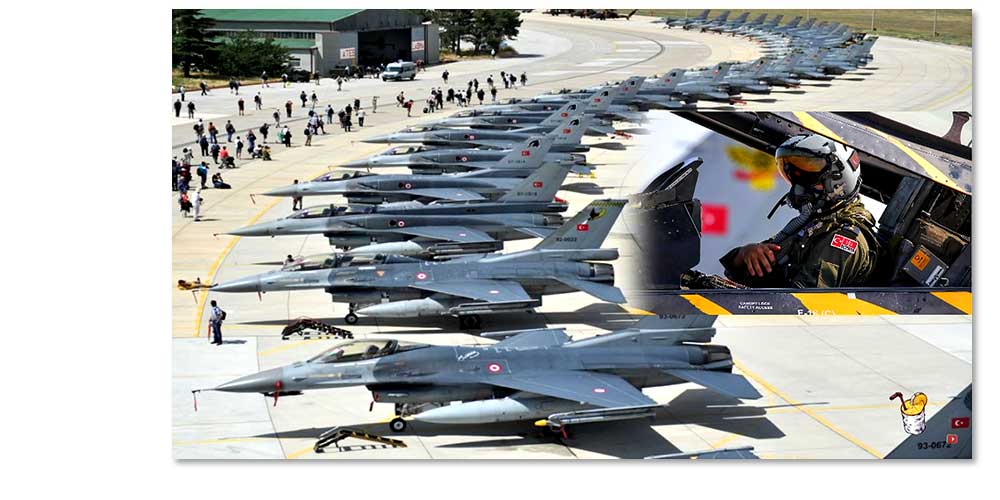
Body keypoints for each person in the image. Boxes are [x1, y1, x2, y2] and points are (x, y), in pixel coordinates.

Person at [719, 134, 880, 288]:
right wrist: (745, 253)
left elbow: (802, 301)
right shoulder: (816, 223)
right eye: (795, 176)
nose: (799, 186)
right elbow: (754, 267)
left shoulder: (844, 238)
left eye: (808, 176)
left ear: (838, 179)